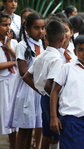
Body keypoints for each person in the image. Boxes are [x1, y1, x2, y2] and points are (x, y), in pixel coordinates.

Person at [23, 20, 65, 149]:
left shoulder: (41, 56)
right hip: (53, 100)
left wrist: (41, 91)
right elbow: (48, 85)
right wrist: (56, 99)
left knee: (47, 133)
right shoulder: (57, 59)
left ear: (45, 37)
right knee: (58, 133)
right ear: (62, 39)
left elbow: (26, 77)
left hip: (44, 99)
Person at [6, 12, 45, 149]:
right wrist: (40, 88)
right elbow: (23, 72)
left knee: (34, 126)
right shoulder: (23, 45)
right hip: (28, 90)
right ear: (27, 29)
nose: (40, 31)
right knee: (25, 129)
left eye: (43, 27)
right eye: (36, 28)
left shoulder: (43, 44)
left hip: (39, 90)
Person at [0, 11, 18, 149]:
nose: (8, 28)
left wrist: (9, 47)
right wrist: (14, 63)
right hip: (2, 84)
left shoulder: (13, 42)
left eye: (9, 25)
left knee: (13, 118)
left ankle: (14, 146)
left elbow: (22, 59)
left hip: (13, 82)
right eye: (4, 25)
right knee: (4, 116)